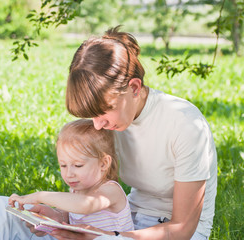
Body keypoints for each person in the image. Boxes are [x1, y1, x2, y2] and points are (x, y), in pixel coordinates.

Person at [48, 26, 217, 240]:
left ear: (135, 88)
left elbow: (182, 229)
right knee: (1, 209)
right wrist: (57, 217)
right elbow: (94, 193)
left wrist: (108, 236)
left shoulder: (185, 124)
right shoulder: (111, 123)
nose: (97, 125)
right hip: (128, 218)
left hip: (178, 232)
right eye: (92, 115)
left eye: (102, 112)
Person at [0, 119, 134, 240]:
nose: (69, 174)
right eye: (63, 165)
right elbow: (69, 217)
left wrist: (40, 196)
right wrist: (50, 217)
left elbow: (85, 205)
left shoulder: (111, 190)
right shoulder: (76, 190)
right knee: (0, 206)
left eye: (77, 166)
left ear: (103, 163)